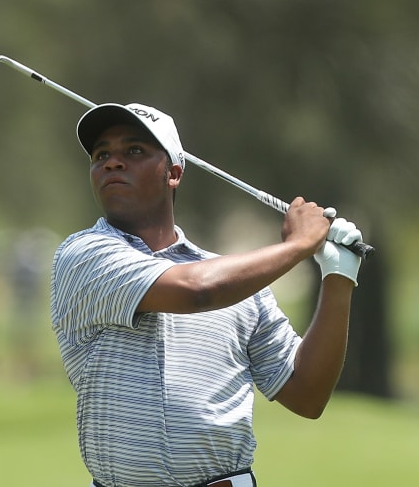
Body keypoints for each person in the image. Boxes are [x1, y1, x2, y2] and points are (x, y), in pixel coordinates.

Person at [50, 103, 364, 487]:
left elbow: (308, 395)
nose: (113, 163)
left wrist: (338, 277)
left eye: (134, 151)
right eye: (102, 155)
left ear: (174, 172)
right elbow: (197, 291)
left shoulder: (240, 285)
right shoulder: (84, 255)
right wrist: (298, 246)